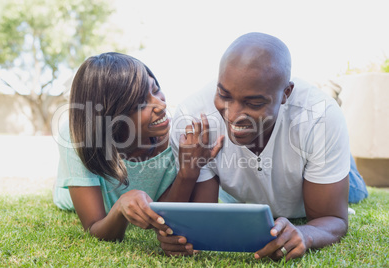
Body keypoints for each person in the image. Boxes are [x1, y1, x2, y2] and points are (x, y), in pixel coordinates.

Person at [157, 32, 368, 260]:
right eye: (224, 95)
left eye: (254, 103)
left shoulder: (320, 117)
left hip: (319, 172)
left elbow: (333, 219)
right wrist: (181, 236)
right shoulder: (192, 117)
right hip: (244, 191)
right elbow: (203, 222)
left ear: (286, 93)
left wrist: (305, 234)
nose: (234, 115)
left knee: (354, 190)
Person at [53, 52, 224, 245]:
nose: (161, 104)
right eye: (141, 103)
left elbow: (161, 216)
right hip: (73, 199)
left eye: (155, 89)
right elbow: (94, 227)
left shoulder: (179, 137)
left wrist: (187, 173)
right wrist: (119, 208)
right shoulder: (78, 136)